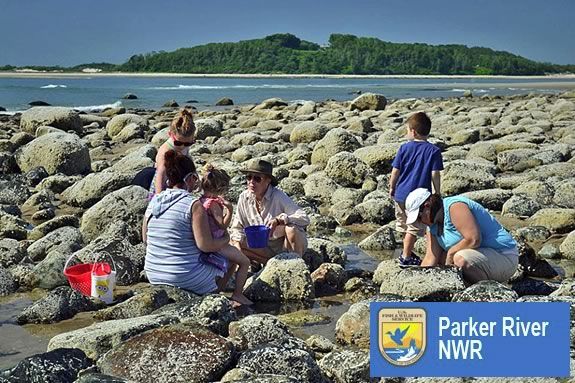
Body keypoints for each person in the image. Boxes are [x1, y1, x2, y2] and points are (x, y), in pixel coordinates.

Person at [142, 150, 230, 295]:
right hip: (183, 276)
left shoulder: (155, 200)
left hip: (153, 273)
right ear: (189, 178)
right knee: (228, 259)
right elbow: (205, 245)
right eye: (195, 177)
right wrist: (225, 239)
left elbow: (145, 239)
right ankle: (212, 295)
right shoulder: (193, 204)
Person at [404, 188, 519, 284]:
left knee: (459, 258)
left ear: (427, 206)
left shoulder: (455, 207)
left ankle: (486, 291)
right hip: (481, 257)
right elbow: (431, 258)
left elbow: (474, 239)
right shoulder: (432, 225)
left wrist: (451, 254)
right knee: (441, 259)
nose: (420, 222)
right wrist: (419, 281)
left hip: (504, 255)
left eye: (419, 217)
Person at [230, 159, 310, 265]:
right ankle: (269, 265)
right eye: (249, 177)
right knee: (230, 242)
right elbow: (237, 228)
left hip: (283, 246)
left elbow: (304, 218)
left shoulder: (278, 196)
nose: (251, 182)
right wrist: (237, 246)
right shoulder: (244, 197)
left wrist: (280, 220)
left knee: (291, 229)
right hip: (262, 247)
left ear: (268, 181)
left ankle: (295, 264)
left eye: (257, 178)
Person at [389, 112, 443, 266]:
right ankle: (406, 256)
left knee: (403, 224)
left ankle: (405, 253)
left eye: (407, 130)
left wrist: (392, 187)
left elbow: (395, 171)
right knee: (413, 228)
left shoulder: (404, 148)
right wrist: (437, 193)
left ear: (413, 131)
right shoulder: (434, 151)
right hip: (419, 197)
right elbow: (435, 174)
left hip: (401, 194)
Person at [199, 164, 252, 305]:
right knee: (245, 262)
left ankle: (219, 289)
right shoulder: (213, 204)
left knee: (233, 262)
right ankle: (238, 294)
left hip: (210, 240)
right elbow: (222, 224)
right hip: (218, 242)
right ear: (220, 188)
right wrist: (229, 210)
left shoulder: (201, 201)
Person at [150, 108, 196, 198]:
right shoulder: (165, 150)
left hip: (179, 182)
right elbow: (160, 175)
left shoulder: (183, 146)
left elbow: (188, 159)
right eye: (178, 143)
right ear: (170, 134)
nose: (182, 146)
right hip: (164, 186)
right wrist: (158, 197)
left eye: (188, 143)